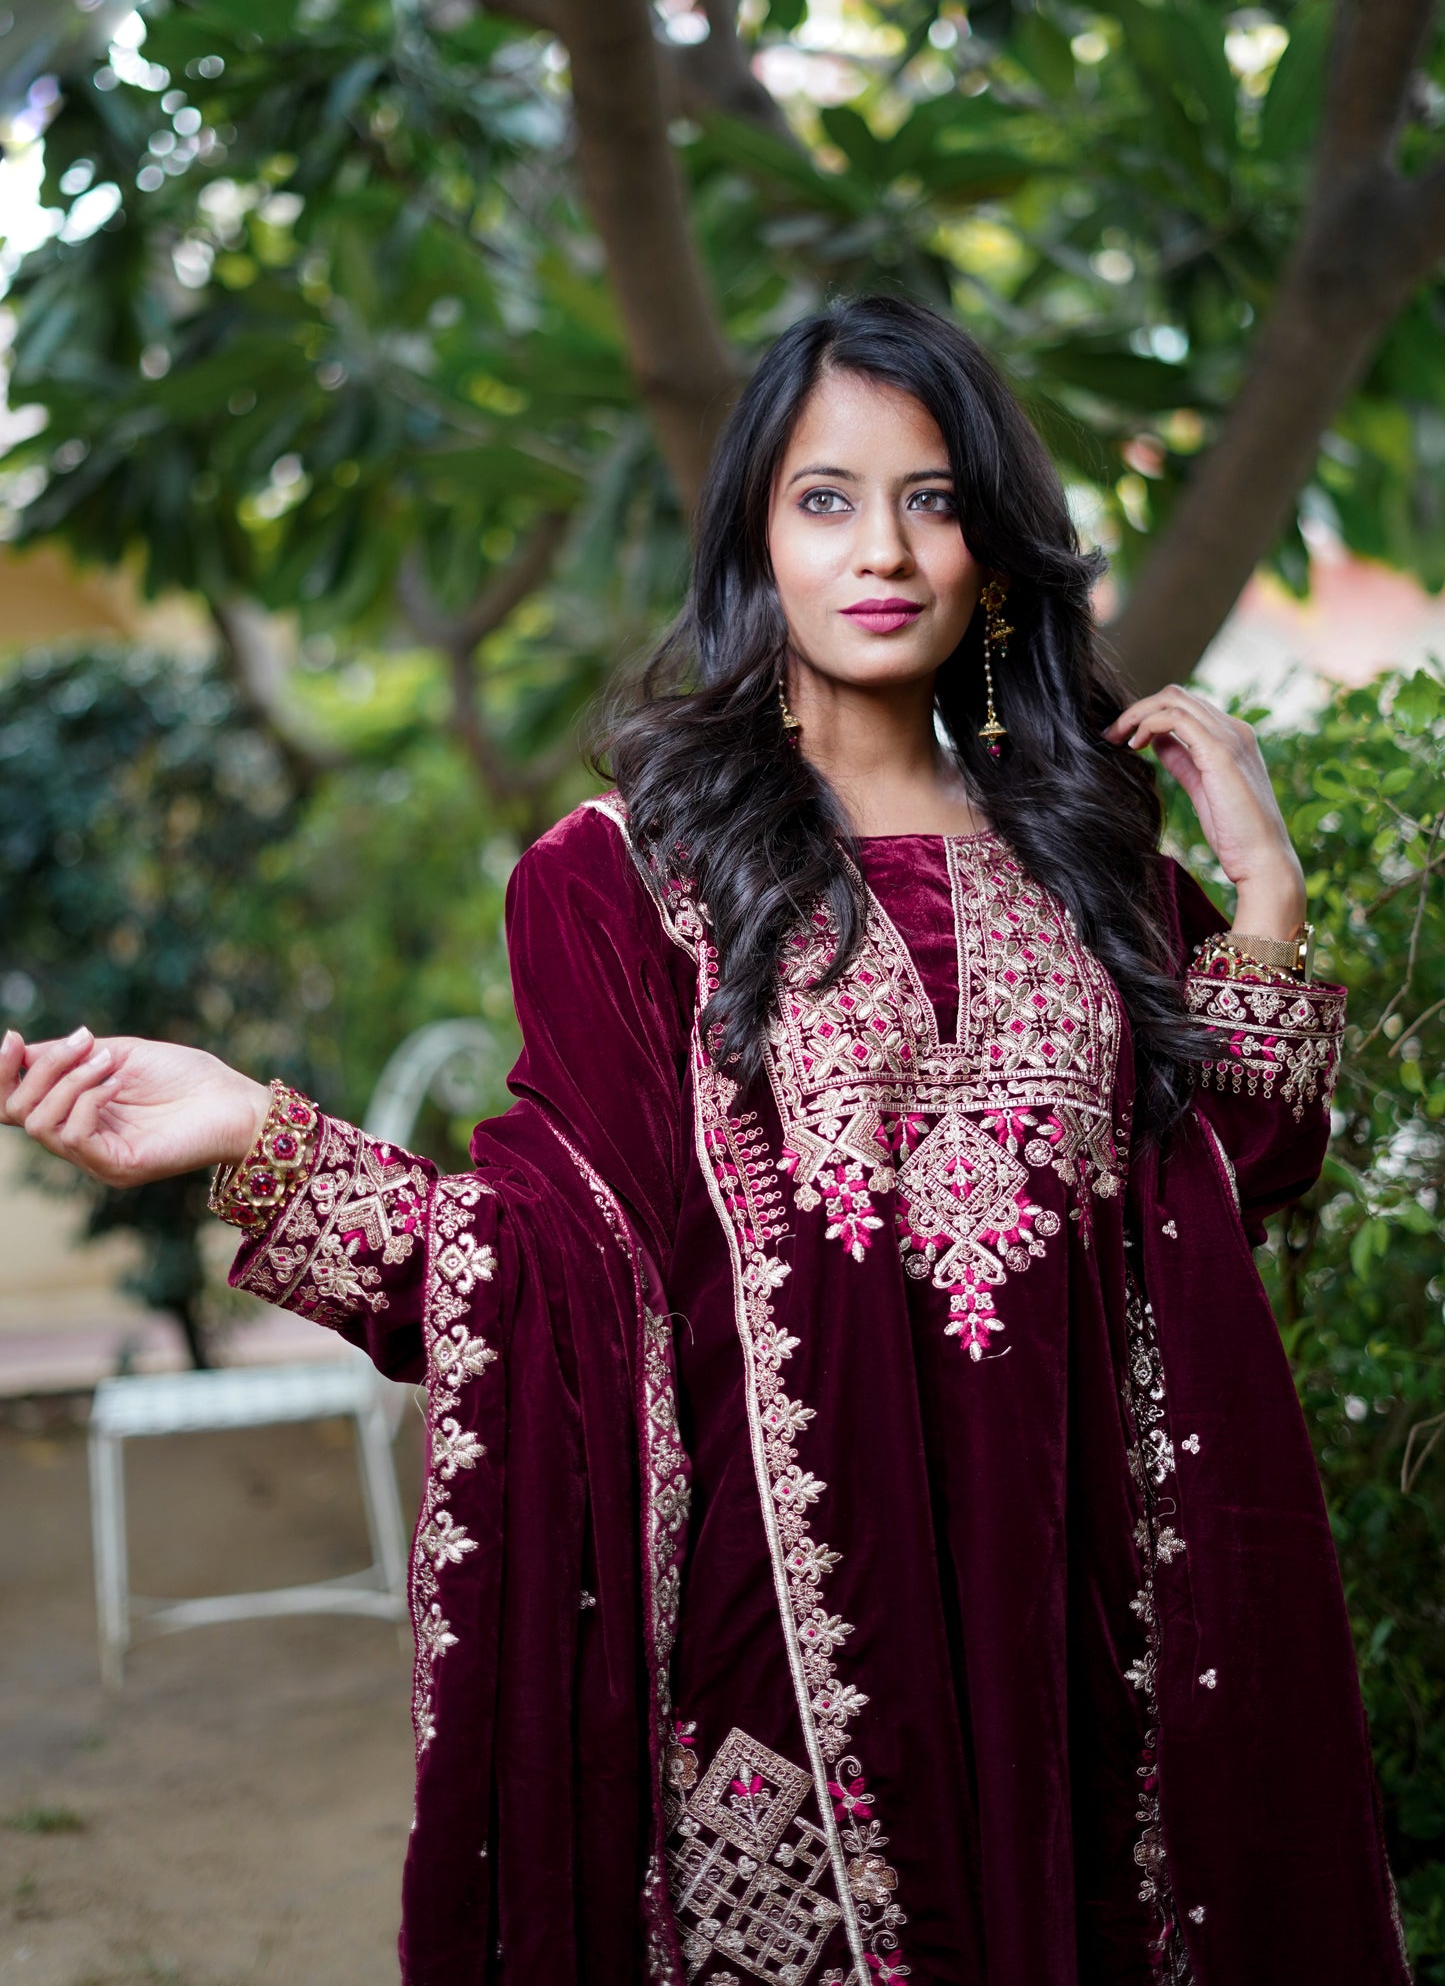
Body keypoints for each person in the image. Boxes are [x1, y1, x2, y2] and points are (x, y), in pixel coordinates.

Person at [2, 298, 1407, 1986]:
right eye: (824, 498)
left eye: (933, 497)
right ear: (752, 535)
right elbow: (548, 1260)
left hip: (1088, 1621)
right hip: (790, 1637)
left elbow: (1222, 1182)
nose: (880, 549)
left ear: (994, 548)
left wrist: (1260, 900)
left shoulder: (1092, 864)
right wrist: (257, 1138)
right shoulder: (617, 878)